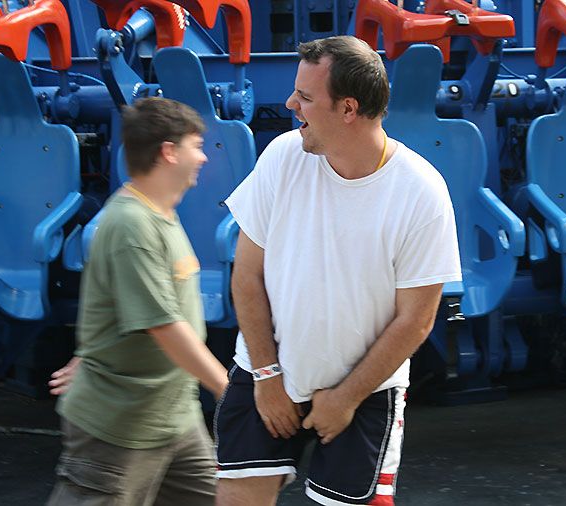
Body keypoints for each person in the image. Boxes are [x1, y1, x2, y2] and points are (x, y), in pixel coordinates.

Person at [213, 36, 462, 506]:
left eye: (305, 98)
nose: (290, 105)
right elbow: (247, 275)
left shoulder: (422, 192)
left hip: (365, 389)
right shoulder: (283, 157)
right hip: (267, 372)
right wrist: (267, 378)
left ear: (349, 109)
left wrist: (346, 397)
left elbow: (417, 319)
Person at [47, 97, 228, 506]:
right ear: (168, 152)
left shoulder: (160, 212)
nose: (202, 157)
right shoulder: (132, 225)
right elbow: (163, 324)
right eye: (195, 145)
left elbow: (120, 302)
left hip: (173, 419)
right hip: (119, 427)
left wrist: (89, 352)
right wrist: (226, 388)